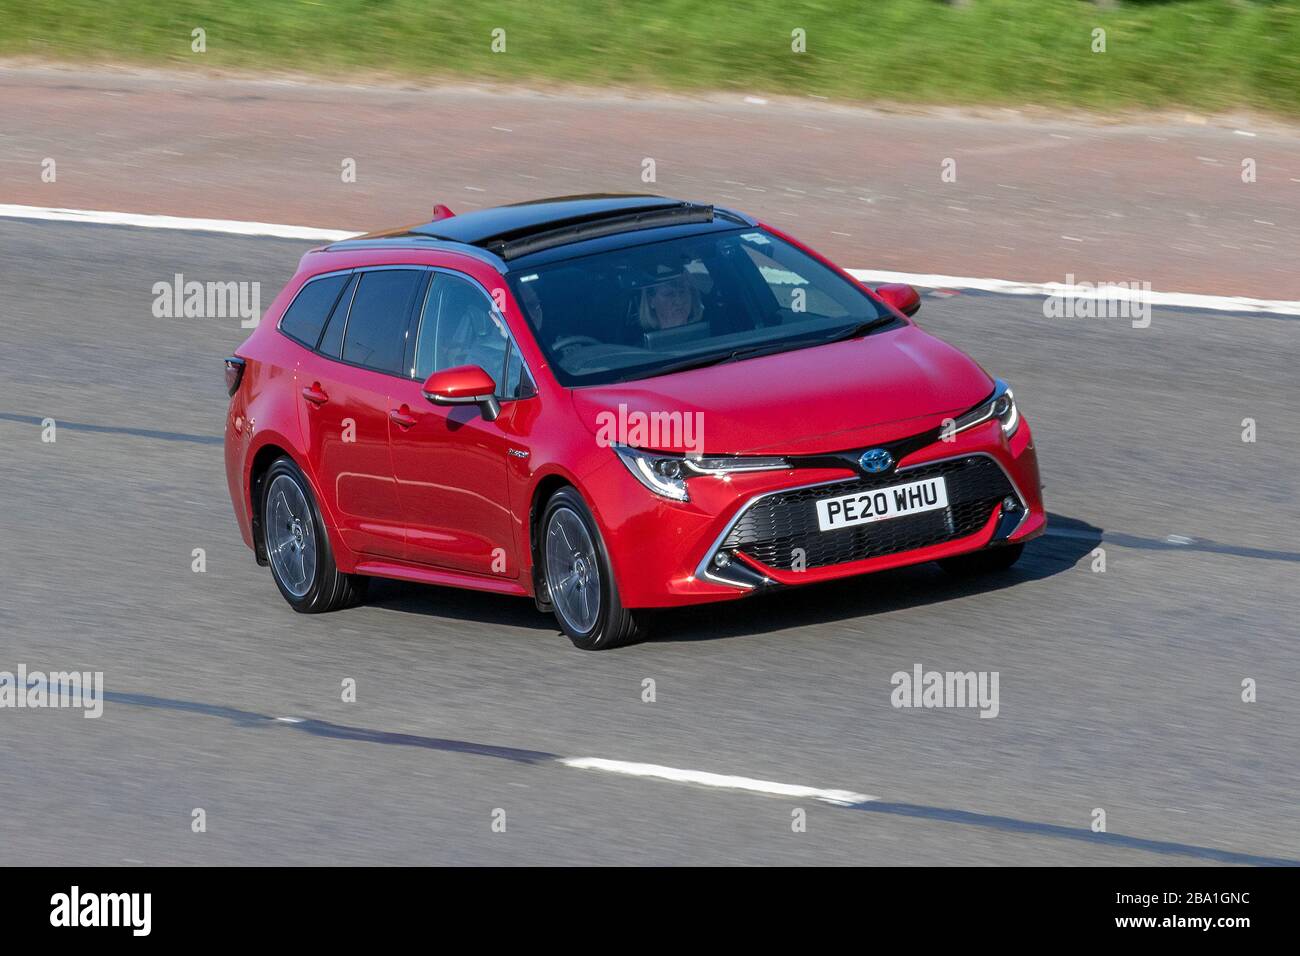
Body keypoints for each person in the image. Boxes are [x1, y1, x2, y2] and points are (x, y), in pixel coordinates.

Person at [638, 264, 703, 332]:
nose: (678, 301)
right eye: (668, 294)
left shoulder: (712, 338)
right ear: (651, 301)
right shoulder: (644, 343)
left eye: (682, 291)